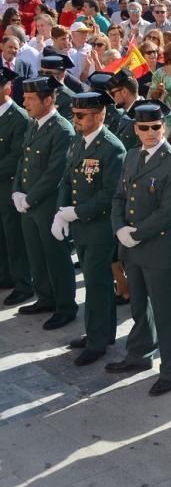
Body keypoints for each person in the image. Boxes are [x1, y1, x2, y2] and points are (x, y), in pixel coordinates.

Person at [106, 101, 171, 396]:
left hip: (159, 249)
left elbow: (168, 213)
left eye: (156, 127)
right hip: (132, 246)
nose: (151, 132)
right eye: (145, 128)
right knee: (139, 306)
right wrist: (119, 229)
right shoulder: (131, 157)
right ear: (136, 129)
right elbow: (118, 197)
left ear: (163, 127)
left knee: (166, 313)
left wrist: (135, 234)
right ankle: (138, 355)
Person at [49, 91, 125, 364]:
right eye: (75, 115)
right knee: (98, 284)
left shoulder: (111, 147)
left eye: (81, 116)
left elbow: (108, 195)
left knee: (96, 284)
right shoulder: (79, 143)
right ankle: (102, 333)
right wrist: (61, 213)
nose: (76, 120)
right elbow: (67, 180)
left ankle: (97, 341)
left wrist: (76, 212)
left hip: (99, 227)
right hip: (81, 225)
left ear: (100, 115)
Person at [10, 76, 77, 325]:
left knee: (55, 256)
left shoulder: (61, 129)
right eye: (25, 98)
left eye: (30, 99)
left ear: (48, 100)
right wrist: (17, 191)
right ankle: (45, 297)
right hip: (28, 202)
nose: (25, 102)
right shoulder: (35, 123)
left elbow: (55, 173)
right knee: (36, 254)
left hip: (47, 204)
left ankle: (65, 306)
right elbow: (23, 160)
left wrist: (30, 197)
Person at [0, 68, 32, 307]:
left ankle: (22, 283)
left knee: (14, 236)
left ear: (7, 89)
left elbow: (15, 157)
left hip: (9, 185)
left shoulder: (19, 117)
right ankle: (5, 275)